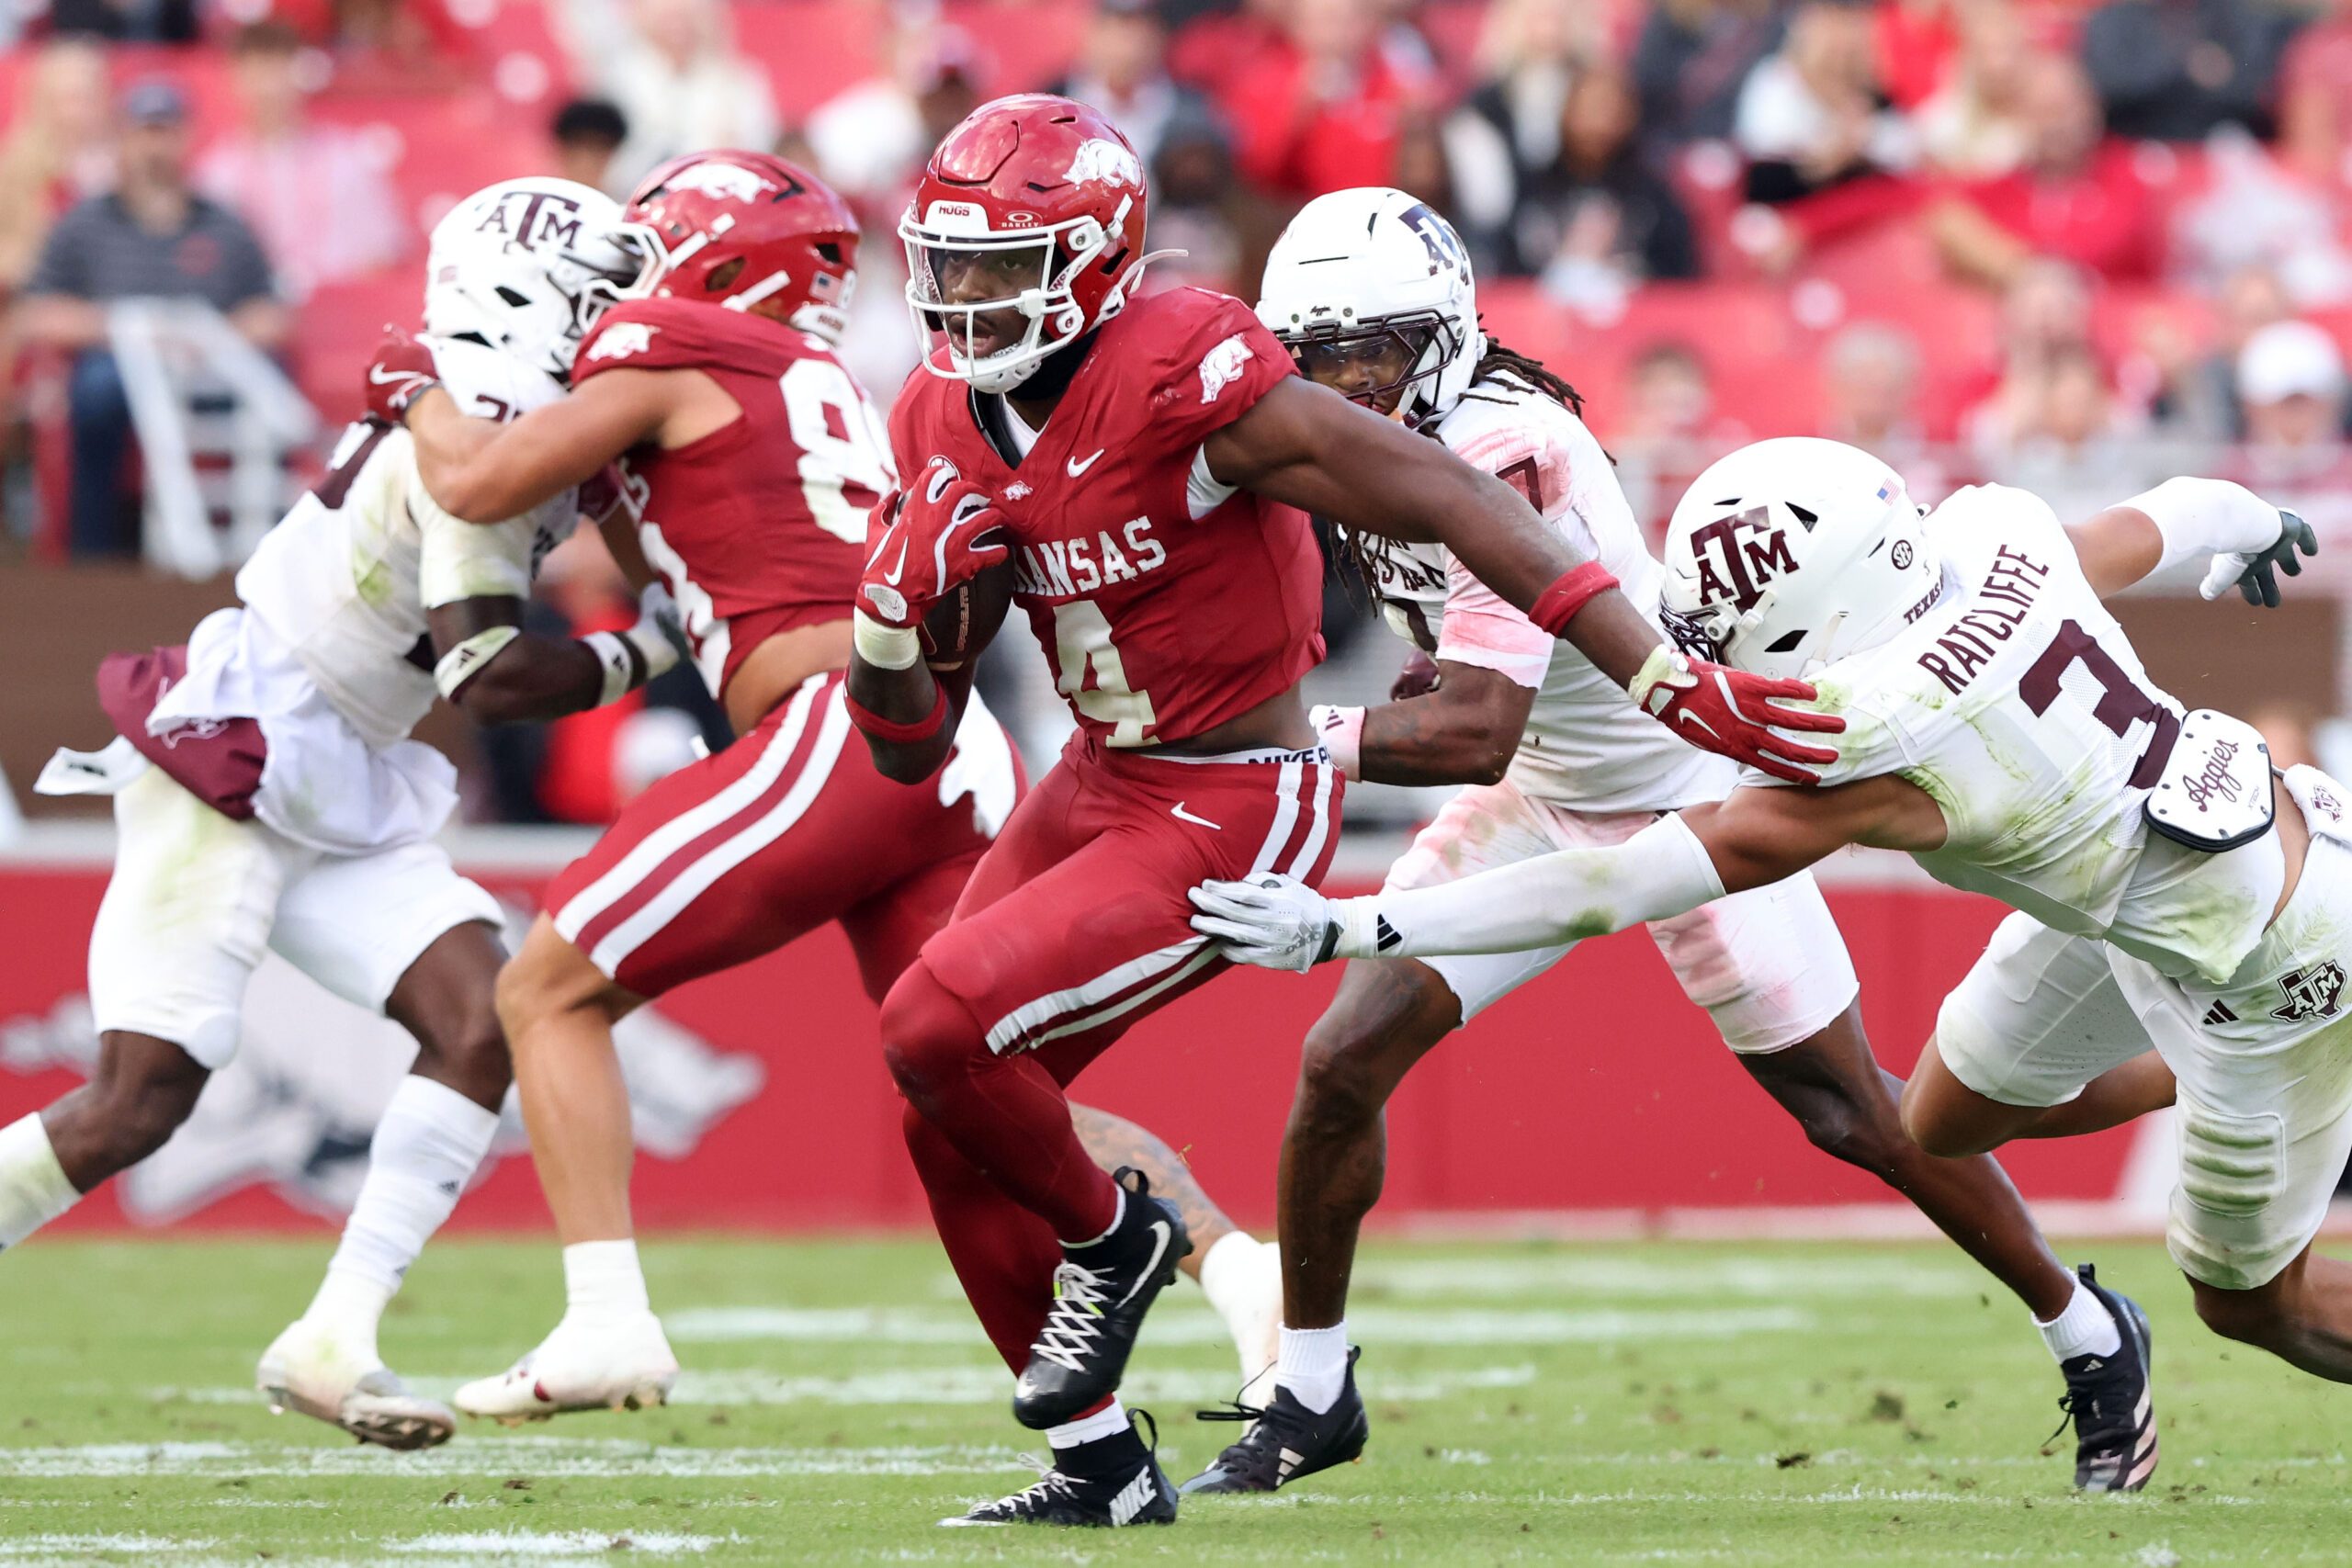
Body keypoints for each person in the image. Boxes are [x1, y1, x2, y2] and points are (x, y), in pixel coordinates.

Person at [858, 94, 1840, 1529]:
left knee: (929, 1020)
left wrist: (1664, 677)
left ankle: (1121, 1238)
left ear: (1096, 256)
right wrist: (899, 611)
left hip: (1227, 798)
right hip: (1096, 776)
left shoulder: (1186, 367)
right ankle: (1096, 1460)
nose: (967, 298)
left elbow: (1448, 493)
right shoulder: (938, 410)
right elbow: (903, 747)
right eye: (951, 264)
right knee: (937, 1112)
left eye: (1004, 265)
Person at [1169, 186, 2153, 1500]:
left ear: (1447, 332)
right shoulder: (1345, 431)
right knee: (1340, 1057)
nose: (1348, 383)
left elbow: (1470, 727)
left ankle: (2090, 1329)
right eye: (1323, 358)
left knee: (1854, 1111)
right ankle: (1310, 1386)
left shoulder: (1511, 444)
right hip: (1539, 786)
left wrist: (1266, 731)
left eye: (1375, 352)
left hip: (1686, 790)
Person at [368, 152, 1286, 1421]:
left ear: (710, 255)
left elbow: (475, 479)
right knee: (980, 1081)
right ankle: (1238, 1271)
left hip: (841, 725)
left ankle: (604, 1317)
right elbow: (671, 562)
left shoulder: (669, 341)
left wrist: (421, 382)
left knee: (547, 982)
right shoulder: (792, 374)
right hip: (935, 739)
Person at [1193, 441, 2352, 1403]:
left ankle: (2258, 1069)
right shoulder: (1997, 542)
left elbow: (1609, 885)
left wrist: (1347, 929)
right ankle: (2185, 1074)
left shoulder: (1885, 743)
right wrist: (2254, 526)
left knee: (2252, 1307)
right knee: (1939, 1121)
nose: (1713, 655)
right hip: (2171, 870)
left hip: (2272, 962)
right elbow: (2180, 510)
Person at [0, 177, 661, 1450]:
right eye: (599, 305)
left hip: (346, 765)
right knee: (138, 1101)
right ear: (529, 304)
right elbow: (493, 673)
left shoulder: (490, 413)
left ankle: (331, 1336)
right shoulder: (462, 425)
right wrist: (650, 651)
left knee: (487, 1019)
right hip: (241, 748)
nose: (619, 331)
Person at [15, 80, 288, 559]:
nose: (155, 146)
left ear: (187, 137)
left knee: (272, 393)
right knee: (96, 393)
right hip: (119, 361)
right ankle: (93, 556)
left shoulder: (225, 223)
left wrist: (210, 339)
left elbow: (272, 313)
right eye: (145, 131)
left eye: (166, 131)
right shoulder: (85, 223)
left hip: (211, 367)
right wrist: (123, 327)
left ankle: (266, 554)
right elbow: (38, 310)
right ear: (123, 138)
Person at [196, 20, 411, 296]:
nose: (269, 88)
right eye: (257, 72)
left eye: (278, 69)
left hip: (344, 317)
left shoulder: (347, 159)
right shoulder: (217, 174)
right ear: (235, 80)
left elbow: (379, 257)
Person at [549, 97, 630, 196]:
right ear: (562, 148)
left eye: (599, 147)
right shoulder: (535, 199)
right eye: (578, 145)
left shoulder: (626, 207)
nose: (587, 160)